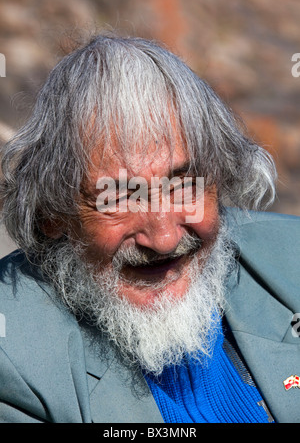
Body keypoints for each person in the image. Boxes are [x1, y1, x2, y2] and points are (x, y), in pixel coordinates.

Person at [0, 33, 299, 424]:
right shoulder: (14, 360)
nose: (164, 238)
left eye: (183, 184)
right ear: (53, 215)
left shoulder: (290, 258)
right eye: (119, 197)